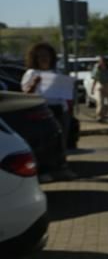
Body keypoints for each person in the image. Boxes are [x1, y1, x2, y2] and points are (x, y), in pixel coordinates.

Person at [21, 42, 75, 175]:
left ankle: (62, 168)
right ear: (35, 58)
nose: (44, 58)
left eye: (46, 55)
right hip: (41, 112)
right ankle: (45, 171)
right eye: (40, 56)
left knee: (60, 141)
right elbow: (26, 95)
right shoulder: (31, 73)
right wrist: (34, 84)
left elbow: (65, 93)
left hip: (59, 110)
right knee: (45, 143)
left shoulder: (56, 72)